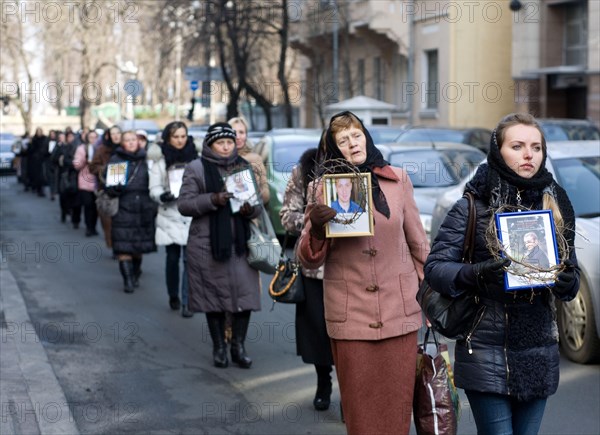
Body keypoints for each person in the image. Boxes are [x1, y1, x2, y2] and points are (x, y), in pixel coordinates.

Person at [424, 113, 580, 435]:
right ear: (498, 150)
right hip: (485, 347)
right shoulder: (474, 205)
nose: (528, 155)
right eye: (518, 145)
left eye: (536, 147)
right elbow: (436, 269)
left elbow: (570, 270)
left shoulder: (556, 201)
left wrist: (569, 282)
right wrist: (479, 273)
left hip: (538, 351)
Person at [297, 111, 429, 434]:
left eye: (355, 135)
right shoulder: (320, 189)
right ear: (333, 148)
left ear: (366, 137)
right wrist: (317, 228)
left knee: (397, 414)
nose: (351, 143)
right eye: (342, 140)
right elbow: (308, 259)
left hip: (400, 312)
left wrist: (432, 299)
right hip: (351, 316)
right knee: (360, 416)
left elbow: (419, 245)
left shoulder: (397, 180)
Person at [178, 122, 262, 369]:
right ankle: (219, 348)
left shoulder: (243, 166)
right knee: (212, 299)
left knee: (244, 297)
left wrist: (250, 208)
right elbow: (185, 204)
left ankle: (238, 346)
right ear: (210, 144)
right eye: (220, 143)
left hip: (240, 244)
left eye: (229, 142)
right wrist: (213, 199)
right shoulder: (196, 168)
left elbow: (257, 204)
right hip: (207, 245)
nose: (226, 147)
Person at [280, 146, 336, 411]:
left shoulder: (361, 173)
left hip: (352, 268)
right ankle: (323, 381)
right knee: (317, 332)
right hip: (315, 269)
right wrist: (312, 220)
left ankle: (351, 392)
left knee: (352, 336)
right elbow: (286, 216)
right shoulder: (304, 170)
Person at [148, 121, 199, 318]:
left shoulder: (196, 157)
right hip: (169, 214)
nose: (179, 140)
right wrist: (162, 196)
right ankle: (173, 295)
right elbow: (154, 187)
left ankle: (187, 301)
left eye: (182, 136)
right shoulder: (160, 160)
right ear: (168, 138)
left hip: (191, 214)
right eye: (175, 137)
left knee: (190, 261)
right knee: (172, 258)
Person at [104, 131, 157, 293]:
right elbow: (110, 190)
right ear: (122, 143)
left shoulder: (148, 160)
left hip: (144, 208)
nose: (132, 142)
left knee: (138, 248)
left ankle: (135, 273)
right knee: (123, 247)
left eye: (134, 139)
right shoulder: (116, 160)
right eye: (127, 140)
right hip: (123, 209)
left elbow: (155, 183)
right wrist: (114, 187)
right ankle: (127, 280)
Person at [89, 125, 122, 249]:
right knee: (109, 221)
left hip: (125, 189)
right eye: (113, 133)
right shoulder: (102, 149)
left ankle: (122, 245)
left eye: (118, 133)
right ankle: (113, 244)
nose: (116, 136)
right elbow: (92, 167)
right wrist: (104, 170)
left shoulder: (127, 148)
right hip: (107, 190)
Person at [227, 116, 269, 204]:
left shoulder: (255, 159)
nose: (237, 137)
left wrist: (254, 184)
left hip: (250, 213)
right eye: (234, 132)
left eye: (241, 132)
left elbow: (266, 196)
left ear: (246, 135)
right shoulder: (220, 159)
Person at [53, 131, 82, 228]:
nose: (70, 139)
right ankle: (64, 212)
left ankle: (75, 219)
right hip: (65, 175)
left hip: (76, 176)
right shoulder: (62, 147)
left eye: (71, 137)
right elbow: (56, 159)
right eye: (68, 137)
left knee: (76, 199)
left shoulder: (79, 148)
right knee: (64, 197)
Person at [73, 130, 99, 237]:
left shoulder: (100, 149)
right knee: (88, 206)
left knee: (96, 207)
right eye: (91, 137)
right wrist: (85, 159)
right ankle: (88, 227)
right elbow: (76, 164)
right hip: (85, 181)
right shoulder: (82, 148)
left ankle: (93, 226)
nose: (93, 139)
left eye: (95, 137)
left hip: (98, 182)